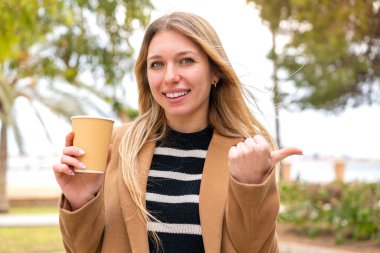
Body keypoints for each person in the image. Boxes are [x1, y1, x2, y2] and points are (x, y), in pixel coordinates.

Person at [53, 11, 302, 253]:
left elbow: (254, 249)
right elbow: (81, 250)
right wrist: (81, 201)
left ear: (214, 72)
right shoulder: (116, 145)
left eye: (186, 60)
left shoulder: (244, 155)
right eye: (157, 64)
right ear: (146, 75)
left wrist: (251, 186)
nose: (170, 77)